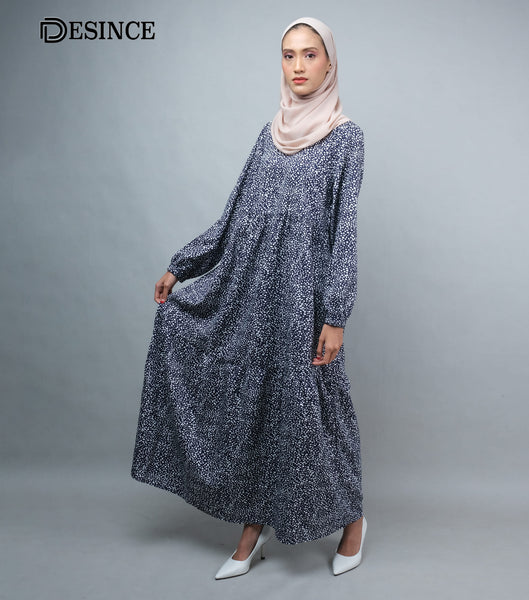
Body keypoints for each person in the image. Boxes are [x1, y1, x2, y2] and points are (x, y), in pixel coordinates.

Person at [131, 16, 367, 578]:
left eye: (310, 54)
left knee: (317, 412)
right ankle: (253, 526)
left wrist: (335, 314)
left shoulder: (346, 137)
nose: (298, 66)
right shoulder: (270, 134)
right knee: (255, 408)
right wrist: (182, 264)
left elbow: (344, 232)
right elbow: (235, 217)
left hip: (303, 302)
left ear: (329, 63)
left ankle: (353, 520)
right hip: (250, 294)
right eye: (288, 55)